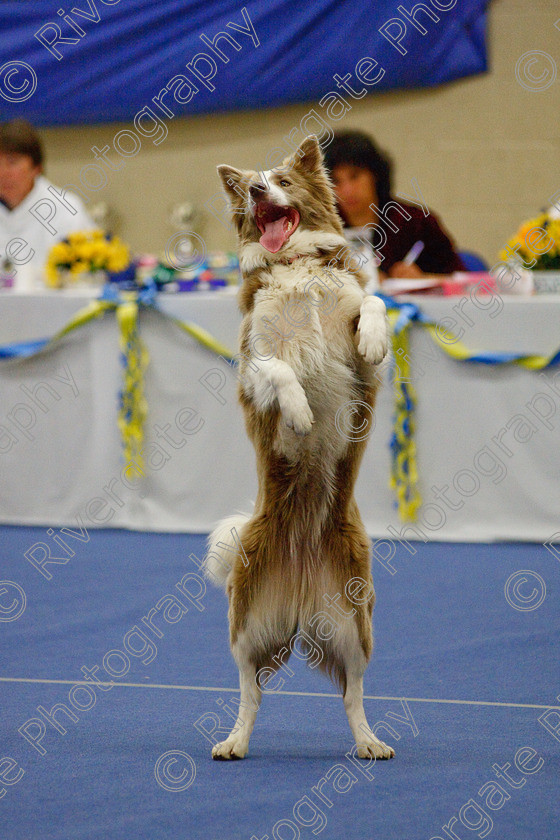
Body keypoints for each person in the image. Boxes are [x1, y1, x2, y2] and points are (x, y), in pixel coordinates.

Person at [323, 130, 465, 282]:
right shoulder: (321, 228)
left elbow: (462, 281)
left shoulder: (416, 222)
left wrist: (424, 278)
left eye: (355, 176)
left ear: (375, 175)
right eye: (336, 181)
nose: (347, 190)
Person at [0, 119, 94, 283]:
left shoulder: (66, 209)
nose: (3, 172)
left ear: (37, 167)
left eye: (12, 162)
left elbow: (87, 279)